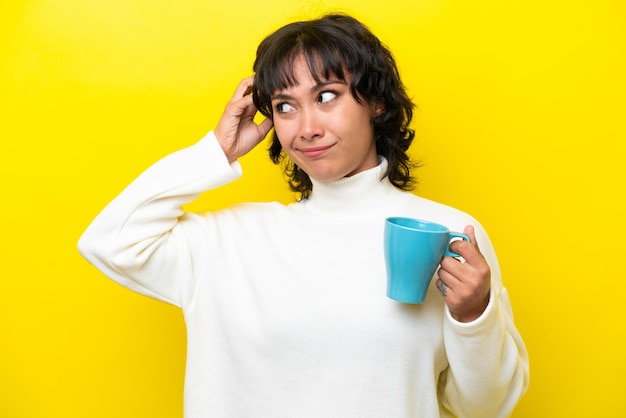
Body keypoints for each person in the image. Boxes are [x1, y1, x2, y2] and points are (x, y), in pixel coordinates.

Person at [78, 13, 529, 418]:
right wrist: (214, 153)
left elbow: (484, 408)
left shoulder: (448, 236)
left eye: (327, 96)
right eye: (285, 106)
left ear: (376, 102)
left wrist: (474, 316)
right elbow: (107, 241)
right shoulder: (230, 242)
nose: (307, 127)